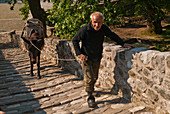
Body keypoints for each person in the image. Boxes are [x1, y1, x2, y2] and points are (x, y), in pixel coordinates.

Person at [72, 12, 134, 108]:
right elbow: (75, 40)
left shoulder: (103, 28)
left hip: (97, 56)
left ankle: (91, 89)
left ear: (103, 22)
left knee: (95, 77)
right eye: (95, 22)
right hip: (86, 58)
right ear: (91, 21)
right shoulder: (85, 30)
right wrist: (80, 53)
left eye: (99, 23)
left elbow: (112, 35)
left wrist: (123, 44)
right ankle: (90, 97)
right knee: (89, 78)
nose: (97, 25)